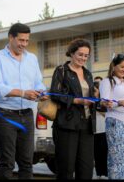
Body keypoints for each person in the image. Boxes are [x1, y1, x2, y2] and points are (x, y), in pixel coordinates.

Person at [0, 22, 49, 180]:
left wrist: (42, 91)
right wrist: (23, 93)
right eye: (21, 40)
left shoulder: (32, 59)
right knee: (7, 161)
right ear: (10, 37)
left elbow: (37, 82)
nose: (24, 44)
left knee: (27, 162)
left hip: (27, 114)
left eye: (27, 40)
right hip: (5, 115)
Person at [50, 38, 97, 180]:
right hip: (67, 124)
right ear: (71, 53)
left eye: (86, 55)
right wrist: (76, 100)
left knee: (86, 168)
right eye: (80, 54)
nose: (83, 58)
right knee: (66, 168)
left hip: (87, 125)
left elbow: (90, 95)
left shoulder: (88, 73)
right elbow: (55, 94)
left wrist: (96, 97)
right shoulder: (61, 71)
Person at [100, 54, 124, 179]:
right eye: (121, 67)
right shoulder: (107, 81)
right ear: (114, 66)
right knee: (117, 157)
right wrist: (121, 103)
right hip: (116, 121)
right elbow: (105, 102)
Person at [93, 76, 108, 178]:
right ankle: (99, 173)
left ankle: (105, 173)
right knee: (96, 153)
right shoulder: (92, 97)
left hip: (103, 129)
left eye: (99, 84)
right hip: (94, 130)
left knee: (104, 153)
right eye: (95, 84)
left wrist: (98, 98)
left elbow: (104, 112)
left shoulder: (104, 99)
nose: (97, 86)